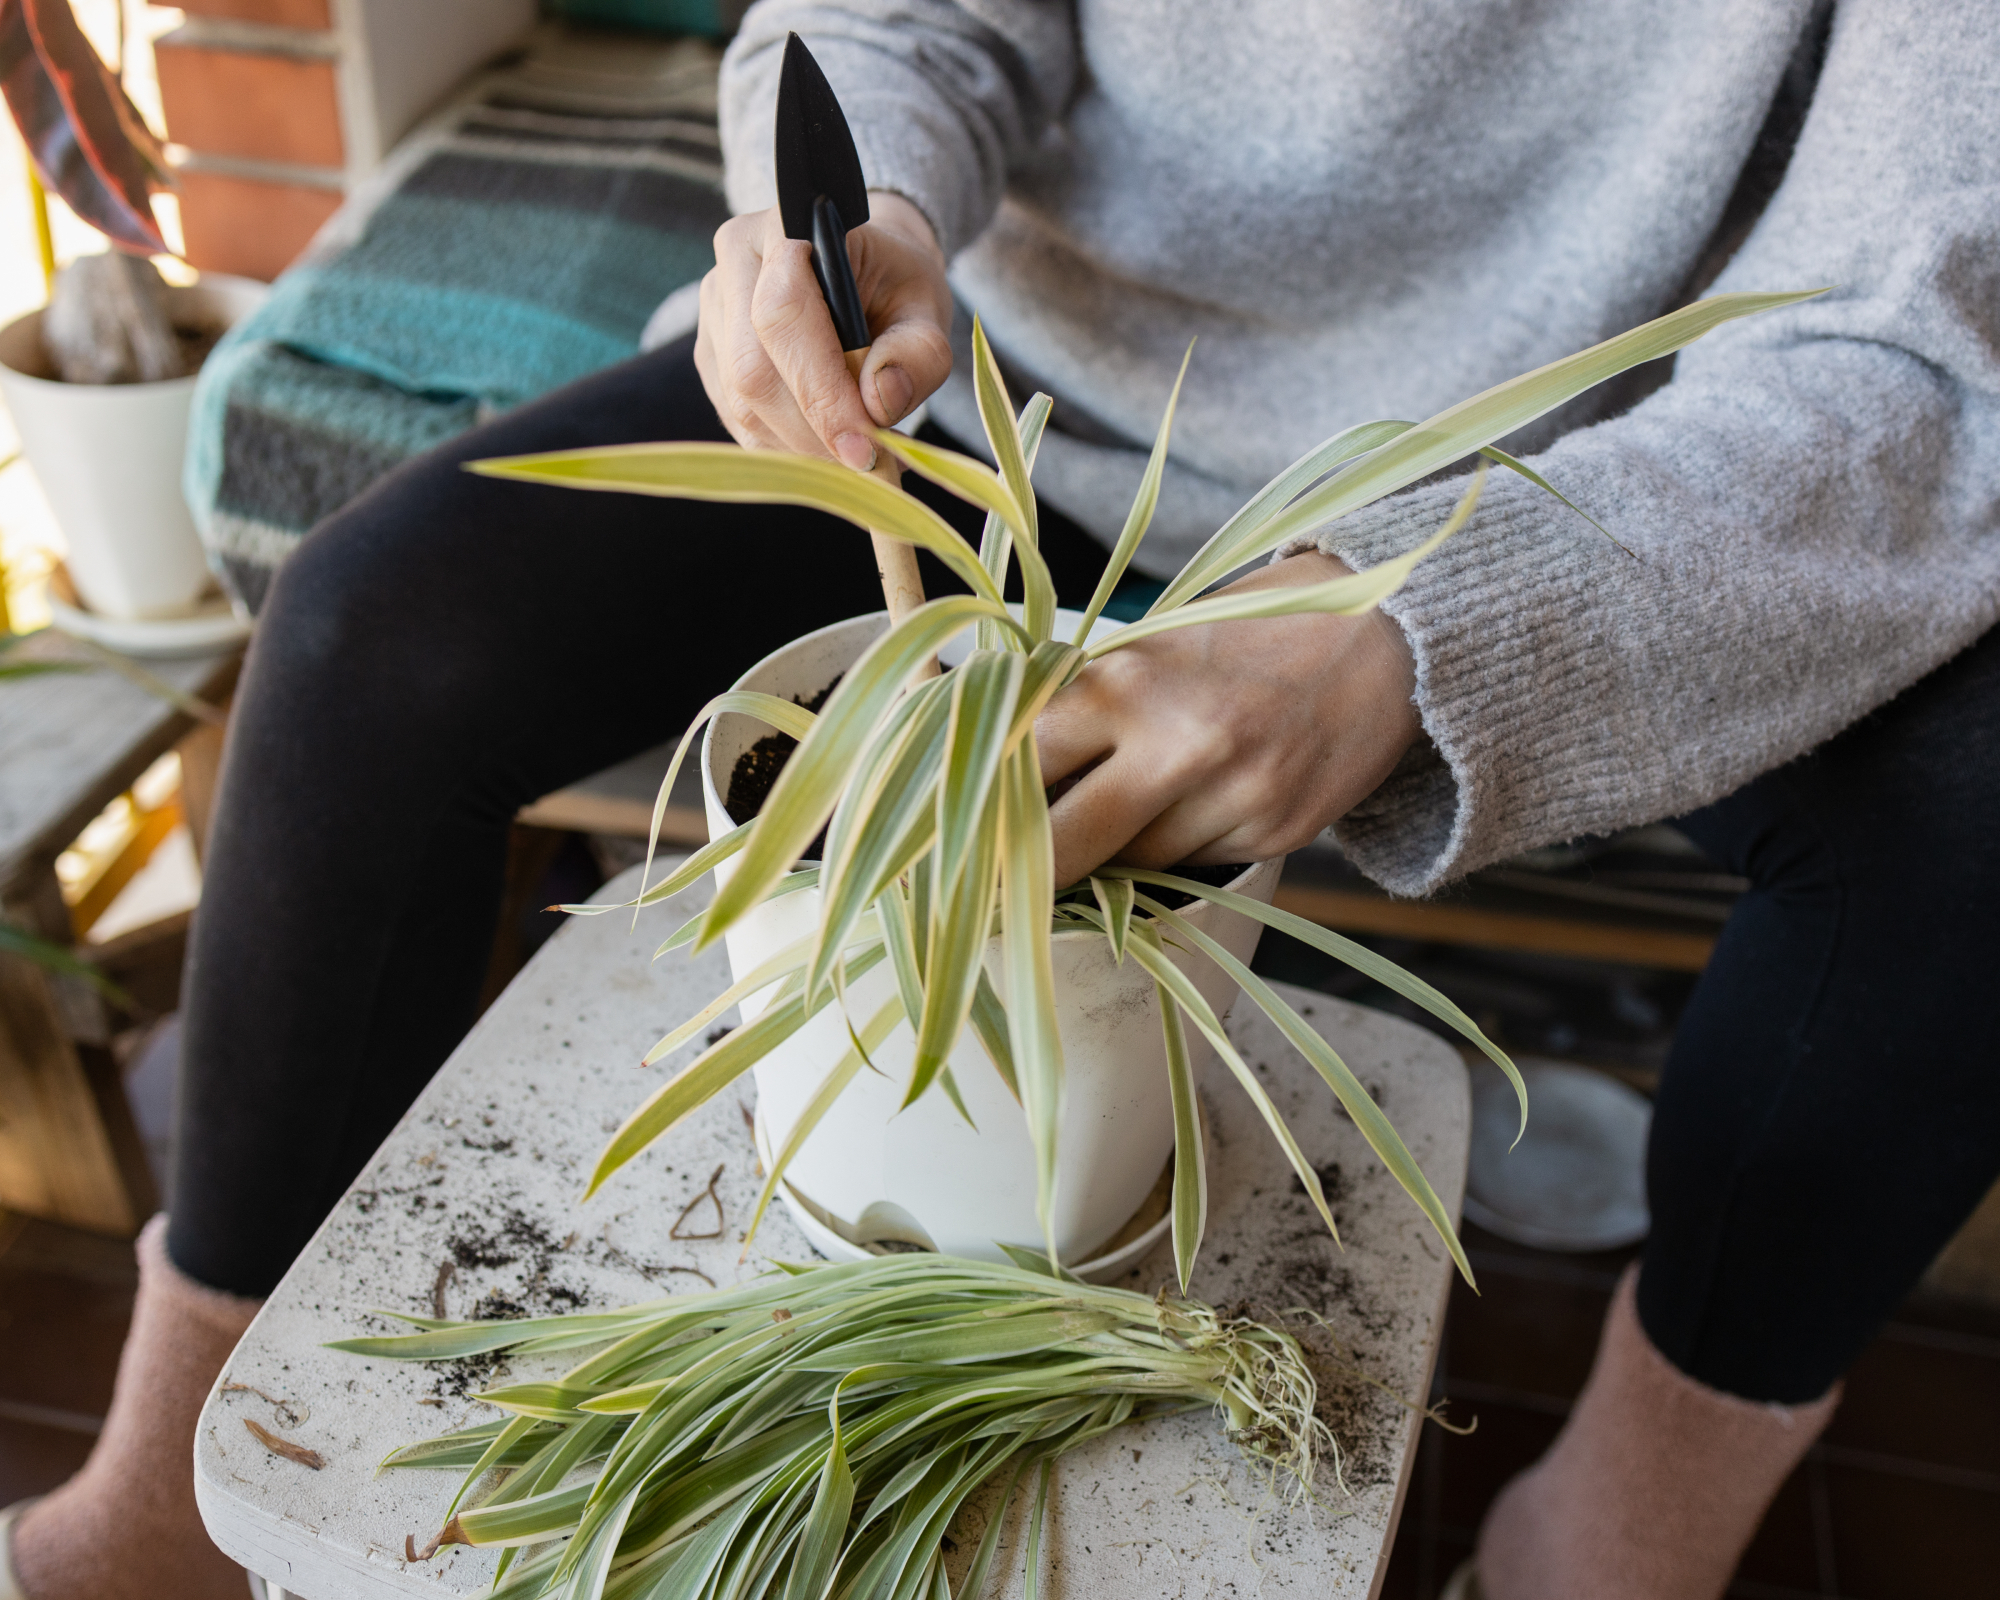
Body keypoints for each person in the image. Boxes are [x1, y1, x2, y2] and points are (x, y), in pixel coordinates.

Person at [6, 2, 1998, 1598]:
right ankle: (175, 1491)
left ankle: (1605, 1556)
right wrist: (851, 211)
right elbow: (901, 17)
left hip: (1566, 482)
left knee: (1972, 844)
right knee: (373, 625)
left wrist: (1431, 625)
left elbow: (1916, 345)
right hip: (999, 407)